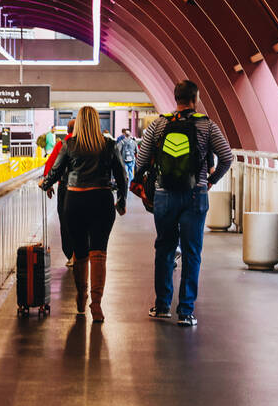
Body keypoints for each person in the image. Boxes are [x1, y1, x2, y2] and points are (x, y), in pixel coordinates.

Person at [134, 80, 232, 327]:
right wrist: (210, 180)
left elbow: (141, 160)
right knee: (192, 252)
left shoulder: (159, 124)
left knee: (165, 248)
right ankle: (186, 311)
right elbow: (227, 157)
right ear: (195, 99)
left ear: (175, 98)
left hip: (164, 195)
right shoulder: (206, 125)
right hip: (195, 195)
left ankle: (162, 306)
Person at [40, 107, 128, 321]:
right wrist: (122, 200)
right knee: (99, 253)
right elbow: (122, 175)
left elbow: (56, 171)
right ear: (97, 122)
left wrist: (45, 184)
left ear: (78, 123)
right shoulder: (108, 144)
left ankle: (81, 295)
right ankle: (96, 305)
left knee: (80, 254)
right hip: (101, 200)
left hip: (76, 201)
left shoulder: (69, 145)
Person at [43, 119, 76, 267]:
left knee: (65, 221)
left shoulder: (62, 144)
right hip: (84, 187)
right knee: (82, 221)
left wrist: (47, 184)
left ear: (67, 130)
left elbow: (50, 165)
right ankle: (81, 253)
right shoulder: (87, 144)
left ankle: (70, 255)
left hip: (64, 187)